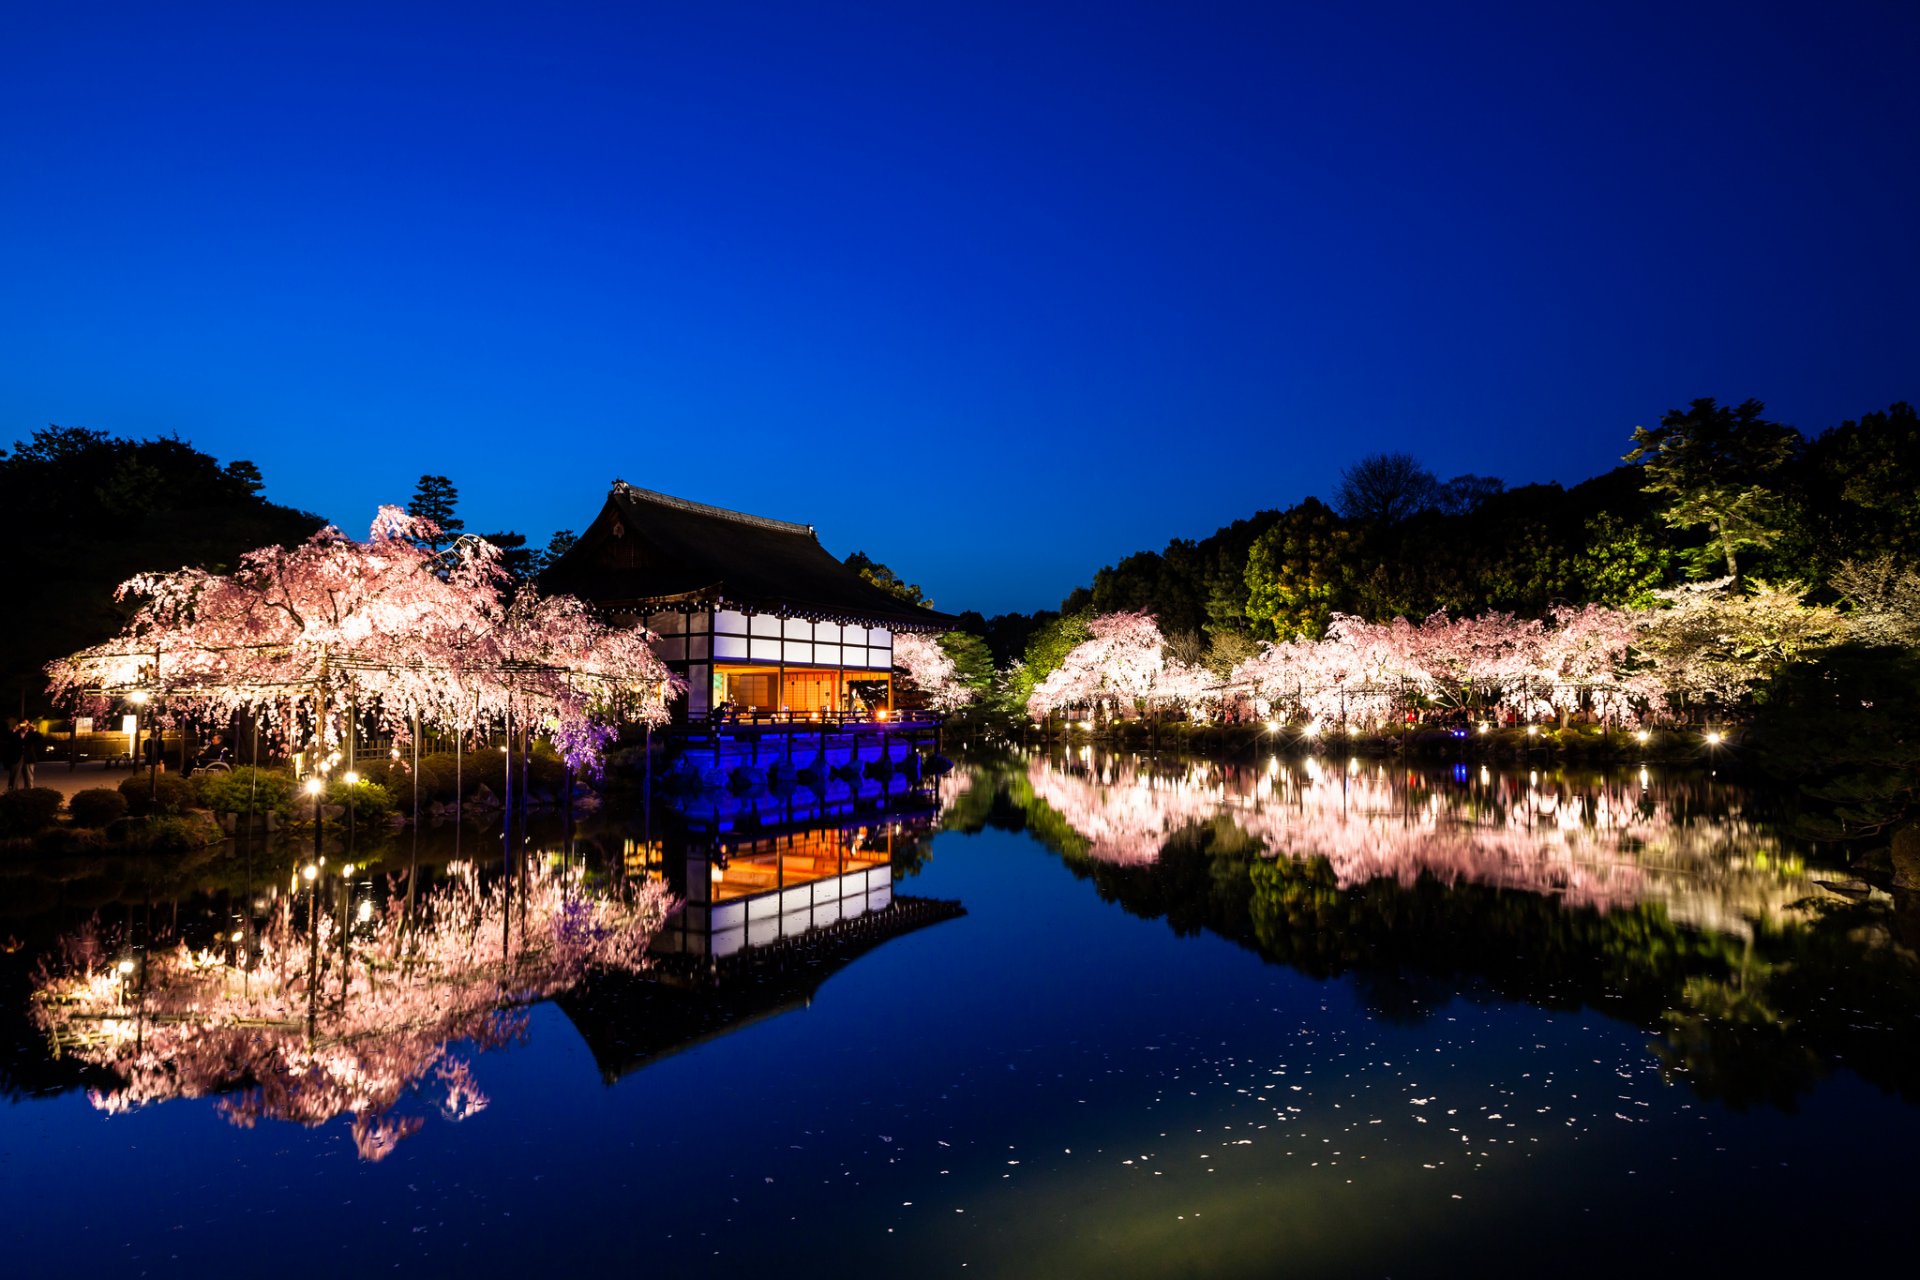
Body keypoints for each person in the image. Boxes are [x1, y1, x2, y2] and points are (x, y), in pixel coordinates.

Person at [14, 722, 41, 789]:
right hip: (17, 757)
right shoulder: (16, 733)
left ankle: (29, 791)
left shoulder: (31, 733)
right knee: (14, 776)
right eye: (23, 724)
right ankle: (12, 792)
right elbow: (8, 739)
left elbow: (40, 738)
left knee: (29, 777)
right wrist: (14, 729)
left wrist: (34, 729)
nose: (25, 726)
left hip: (29, 757)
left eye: (27, 724)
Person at [0, 719, 21, 791]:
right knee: (13, 774)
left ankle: (13, 789)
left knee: (14, 775)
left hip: (13, 756)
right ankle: (12, 790)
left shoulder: (12, 732)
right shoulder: (9, 733)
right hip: (13, 756)